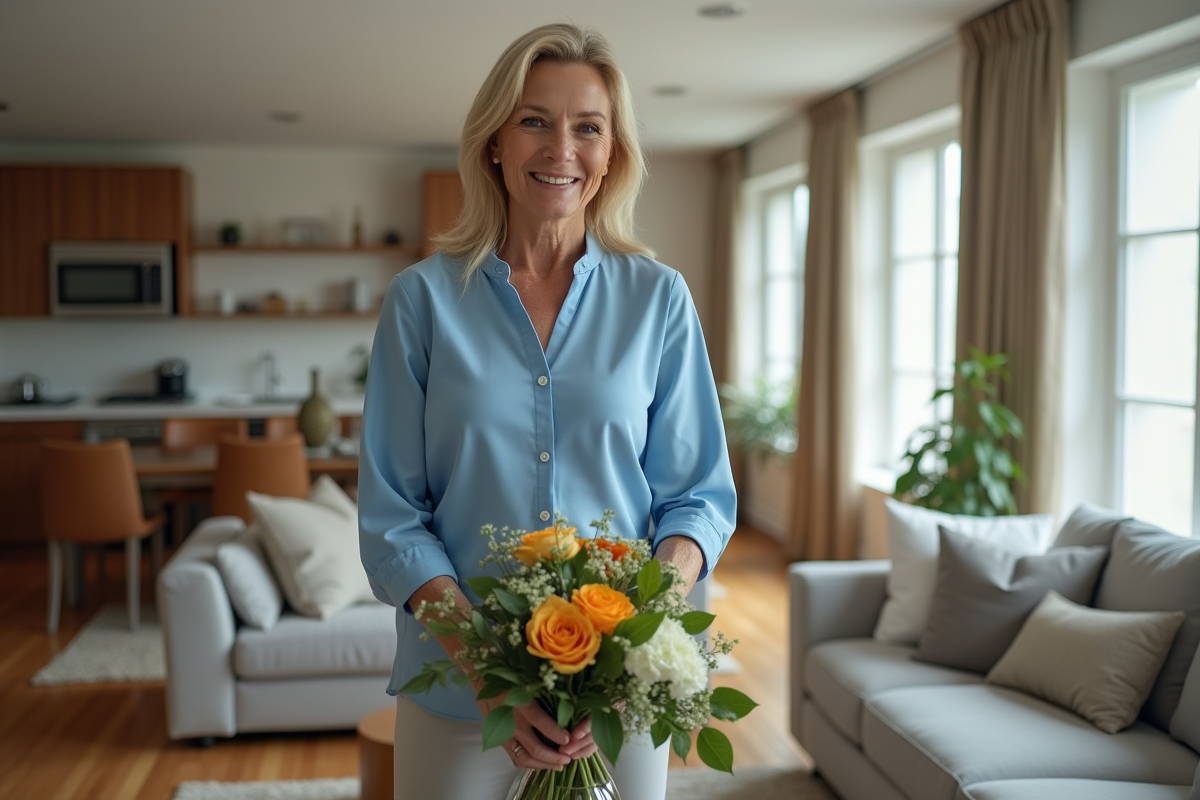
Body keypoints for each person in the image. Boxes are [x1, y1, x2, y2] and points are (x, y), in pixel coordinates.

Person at [358, 22, 736, 800]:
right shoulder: (421, 303)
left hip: (617, 702)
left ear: (611, 154)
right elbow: (392, 518)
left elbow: (697, 496)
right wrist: (486, 671)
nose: (560, 147)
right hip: (465, 701)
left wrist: (631, 634)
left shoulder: (658, 299)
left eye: (587, 127)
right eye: (534, 120)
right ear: (495, 141)